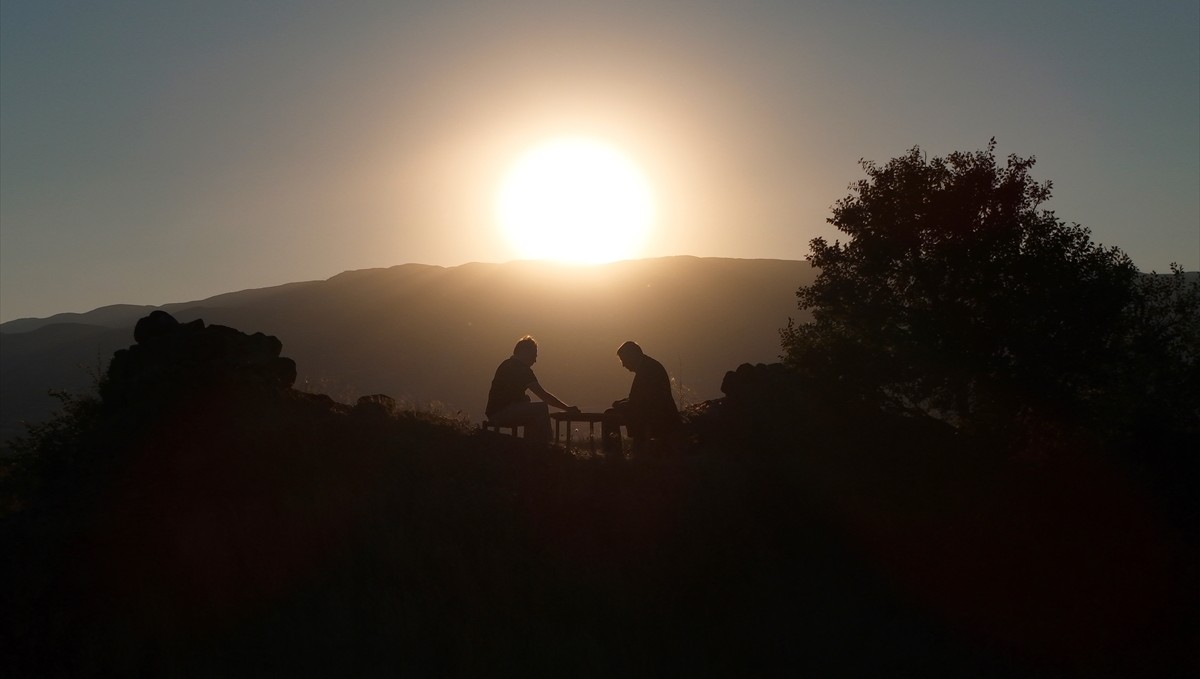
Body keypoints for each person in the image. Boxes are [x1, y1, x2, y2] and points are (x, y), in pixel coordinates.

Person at [485, 336, 579, 445]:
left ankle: (532, 445)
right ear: (525, 352)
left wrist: (522, 400)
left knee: (532, 410)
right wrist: (567, 408)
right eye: (534, 355)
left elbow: (506, 392)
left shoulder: (506, 364)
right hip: (502, 413)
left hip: (493, 412)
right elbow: (544, 396)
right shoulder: (522, 369)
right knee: (541, 408)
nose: (535, 360)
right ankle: (547, 445)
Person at [602, 341, 680, 456]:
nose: (623, 365)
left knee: (609, 416)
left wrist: (621, 405)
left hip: (654, 416)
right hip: (655, 412)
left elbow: (640, 402)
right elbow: (640, 397)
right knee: (612, 413)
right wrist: (625, 402)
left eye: (623, 360)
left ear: (631, 356)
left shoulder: (647, 370)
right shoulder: (649, 366)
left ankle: (612, 454)